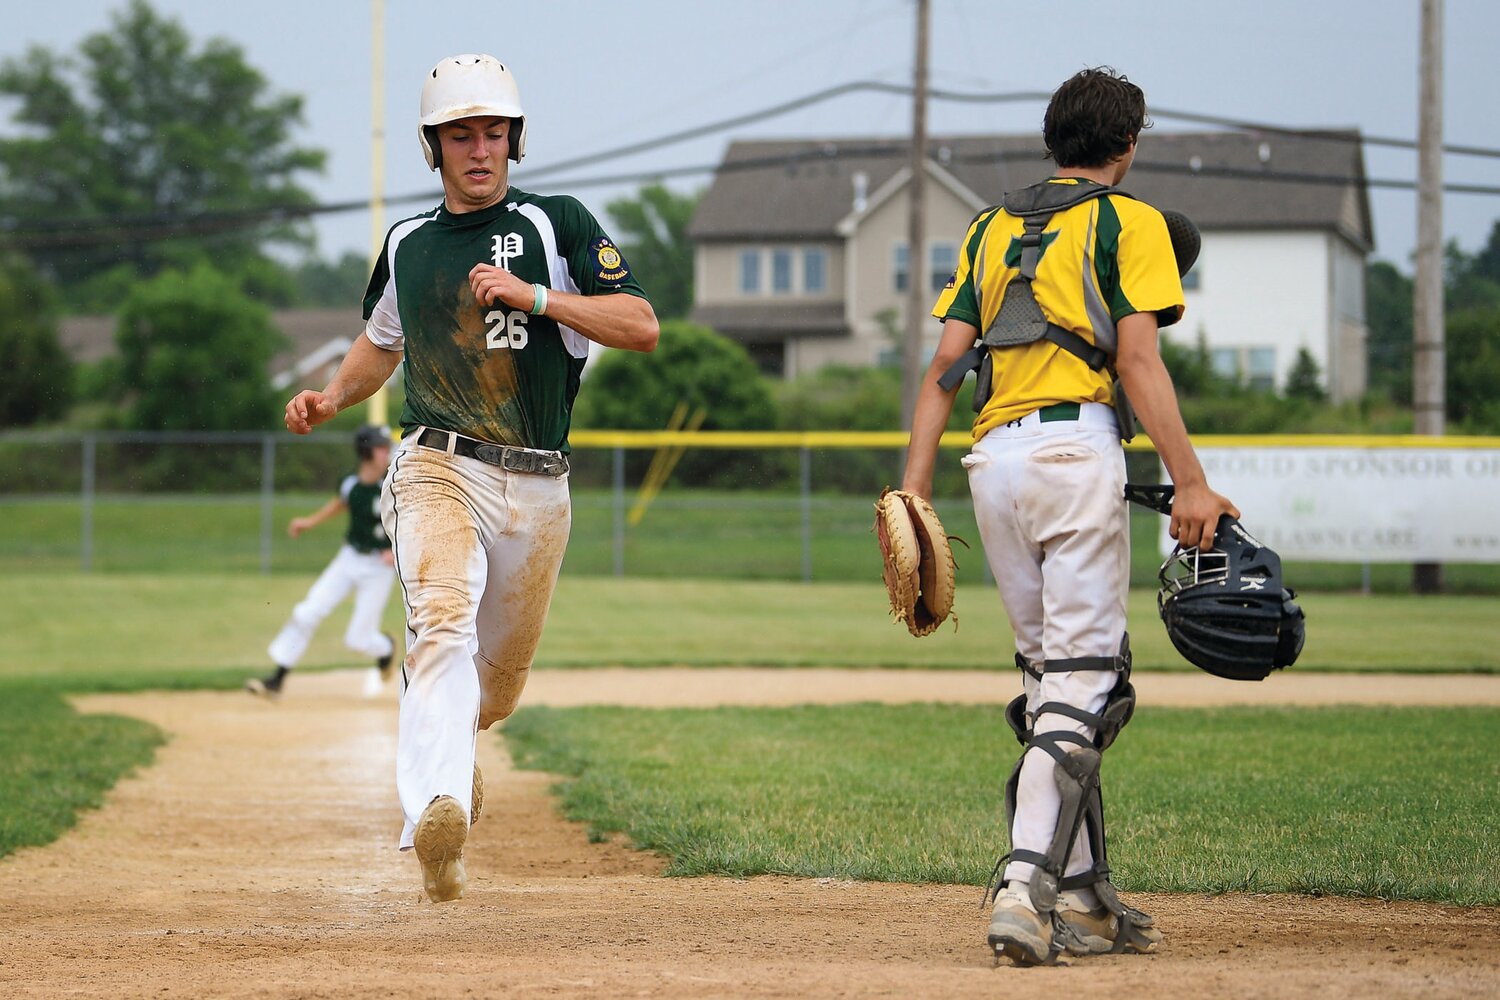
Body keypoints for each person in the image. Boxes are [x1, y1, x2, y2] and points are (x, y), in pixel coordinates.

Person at [283, 53, 659, 903]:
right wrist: (331, 397)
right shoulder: (407, 244)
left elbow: (639, 323)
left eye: (493, 131)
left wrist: (536, 298)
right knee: (440, 627)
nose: (478, 148)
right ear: (434, 148)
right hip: (437, 467)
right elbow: (382, 342)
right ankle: (438, 814)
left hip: (540, 486)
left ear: (514, 140)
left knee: (495, 690)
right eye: (460, 133)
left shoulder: (556, 223)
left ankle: (459, 756)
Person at [900, 67, 1238, 965]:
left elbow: (944, 368)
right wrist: (1192, 482)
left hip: (992, 463)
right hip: (1072, 452)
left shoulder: (988, 226)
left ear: (1055, 140)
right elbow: (1138, 364)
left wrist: (914, 486)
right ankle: (1025, 887)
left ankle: (1084, 896)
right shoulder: (1132, 223)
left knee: (1060, 679)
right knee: (1086, 681)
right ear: (1128, 146)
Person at [247, 425, 397, 700]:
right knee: (307, 612)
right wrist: (308, 522)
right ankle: (277, 679)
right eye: (380, 447)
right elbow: (341, 504)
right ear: (366, 451)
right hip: (350, 557)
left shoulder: (394, 482)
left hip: (379, 567)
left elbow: (407, 517)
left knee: (358, 641)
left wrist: (395, 549)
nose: (386, 452)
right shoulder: (350, 484)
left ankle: (385, 648)